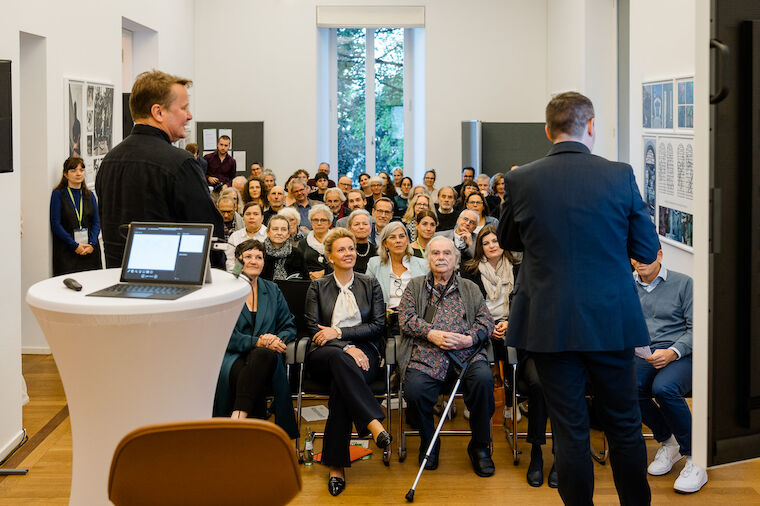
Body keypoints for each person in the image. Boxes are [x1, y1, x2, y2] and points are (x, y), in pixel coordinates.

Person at [497, 91, 659, 505]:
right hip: (611, 320)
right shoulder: (620, 175)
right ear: (591, 126)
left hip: (549, 322)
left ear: (548, 130)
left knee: (569, 430)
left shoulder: (520, 179)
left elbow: (509, 240)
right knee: (624, 424)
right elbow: (644, 249)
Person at [96, 70, 225, 269]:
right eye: (184, 108)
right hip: (172, 285)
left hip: (119, 282)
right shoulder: (181, 163)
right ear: (158, 112)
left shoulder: (109, 161)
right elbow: (210, 233)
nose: (189, 116)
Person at [398, 235, 496, 476]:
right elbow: (406, 319)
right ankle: (430, 441)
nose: (441, 258)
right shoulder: (415, 286)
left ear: (455, 259)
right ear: (428, 258)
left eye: (446, 253)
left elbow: (486, 321)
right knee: (414, 390)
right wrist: (431, 333)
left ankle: (480, 446)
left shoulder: (470, 288)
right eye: (435, 253)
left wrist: (469, 338)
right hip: (427, 355)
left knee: (484, 380)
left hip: (467, 355)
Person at [304, 228, 390, 496]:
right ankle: (373, 423)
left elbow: (377, 325)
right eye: (341, 249)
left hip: (364, 353)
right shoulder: (317, 286)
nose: (348, 253)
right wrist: (343, 346)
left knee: (342, 390)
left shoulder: (370, 283)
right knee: (341, 360)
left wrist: (341, 334)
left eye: (351, 248)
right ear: (329, 256)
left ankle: (336, 467)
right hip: (325, 351)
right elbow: (311, 327)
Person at [632, 249, 705, 493]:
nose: (639, 261)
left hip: (682, 353)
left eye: (645, 255)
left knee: (664, 388)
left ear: (660, 255)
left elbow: (698, 329)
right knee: (629, 388)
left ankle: (696, 457)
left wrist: (673, 351)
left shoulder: (684, 283)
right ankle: (668, 441)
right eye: (635, 255)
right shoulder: (627, 285)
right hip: (643, 352)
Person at [212, 240, 298, 439]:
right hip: (233, 356)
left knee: (261, 356)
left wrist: (275, 340)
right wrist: (258, 341)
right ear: (237, 261)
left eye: (259, 257)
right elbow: (224, 334)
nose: (254, 261)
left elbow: (289, 326)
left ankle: (238, 418)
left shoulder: (272, 289)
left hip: (266, 356)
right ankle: (256, 437)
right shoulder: (226, 289)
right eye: (248, 256)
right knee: (251, 370)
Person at [50, 157, 103, 276]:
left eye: (81, 170)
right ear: (66, 174)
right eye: (73, 170)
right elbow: (56, 224)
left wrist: (92, 244)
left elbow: (96, 222)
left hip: (90, 250)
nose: (78, 173)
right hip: (68, 251)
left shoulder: (89, 195)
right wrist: (75, 245)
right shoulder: (58, 195)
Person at [366, 221, 428, 318]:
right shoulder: (374, 264)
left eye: (401, 236)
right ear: (385, 243)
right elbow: (367, 295)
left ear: (407, 240)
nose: (398, 240)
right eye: (392, 237)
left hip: (416, 317)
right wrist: (381, 311)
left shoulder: (423, 264)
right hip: (385, 318)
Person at [260, 215, 307, 281]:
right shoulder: (259, 252)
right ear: (268, 232)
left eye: (283, 230)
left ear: (288, 234)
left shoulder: (297, 254)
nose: (279, 233)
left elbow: (305, 280)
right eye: (275, 229)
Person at [227, 202, 268, 270]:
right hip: (239, 275)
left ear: (262, 218)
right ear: (243, 217)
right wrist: (239, 275)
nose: (251, 217)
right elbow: (230, 261)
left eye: (256, 214)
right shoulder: (235, 236)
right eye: (248, 214)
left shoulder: (269, 235)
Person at [296, 204, 333, 279]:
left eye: (323, 220)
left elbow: (341, 263)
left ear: (329, 223)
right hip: (309, 282)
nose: (319, 223)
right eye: (315, 220)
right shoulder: (303, 243)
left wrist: (324, 273)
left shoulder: (337, 241)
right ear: (311, 222)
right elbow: (299, 267)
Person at [347, 209, 377, 274]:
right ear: (349, 228)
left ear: (371, 227)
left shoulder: (377, 251)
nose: (361, 227)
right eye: (356, 224)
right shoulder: (345, 251)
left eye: (365, 224)